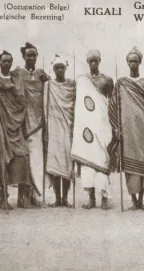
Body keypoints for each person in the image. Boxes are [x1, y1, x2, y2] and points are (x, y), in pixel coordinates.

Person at [109, 46, 144, 210]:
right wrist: (116, 127)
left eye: (135, 61)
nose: (133, 64)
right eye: (130, 61)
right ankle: (133, 200)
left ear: (140, 62)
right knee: (130, 166)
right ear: (127, 62)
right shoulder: (122, 83)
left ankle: (141, 200)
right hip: (128, 129)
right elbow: (114, 105)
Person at [71, 49, 114, 210]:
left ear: (99, 61)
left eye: (96, 60)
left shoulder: (107, 80)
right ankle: (91, 198)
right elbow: (80, 105)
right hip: (86, 127)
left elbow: (111, 103)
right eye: (91, 61)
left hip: (102, 125)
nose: (93, 63)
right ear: (87, 62)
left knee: (102, 159)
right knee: (88, 162)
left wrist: (114, 126)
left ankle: (104, 198)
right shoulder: (82, 80)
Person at [14, 42, 49, 207]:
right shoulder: (17, 73)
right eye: (28, 55)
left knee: (36, 159)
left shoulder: (42, 73)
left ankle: (35, 195)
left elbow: (50, 90)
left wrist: (47, 80)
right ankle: (23, 197)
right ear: (23, 57)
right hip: (21, 121)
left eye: (34, 55)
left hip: (37, 124)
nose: (31, 58)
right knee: (22, 159)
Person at [0, 51, 32, 209]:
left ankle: (22, 197)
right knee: (2, 159)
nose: (6, 64)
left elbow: (21, 101)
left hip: (15, 125)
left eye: (9, 61)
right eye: (3, 61)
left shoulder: (17, 80)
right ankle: (2, 197)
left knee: (23, 157)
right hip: (1, 125)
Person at [44, 55, 75, 208]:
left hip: (68, 127)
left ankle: (65, 198)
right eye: (57, 68)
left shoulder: (72, 85)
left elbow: (75, 105)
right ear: (54, 69)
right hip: (54, 127)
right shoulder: (49, 85)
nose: (60, 70)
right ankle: (57, 198)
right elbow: (45, 105)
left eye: (62, 67)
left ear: (66, 68)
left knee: (67, 163)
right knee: (56, 163)